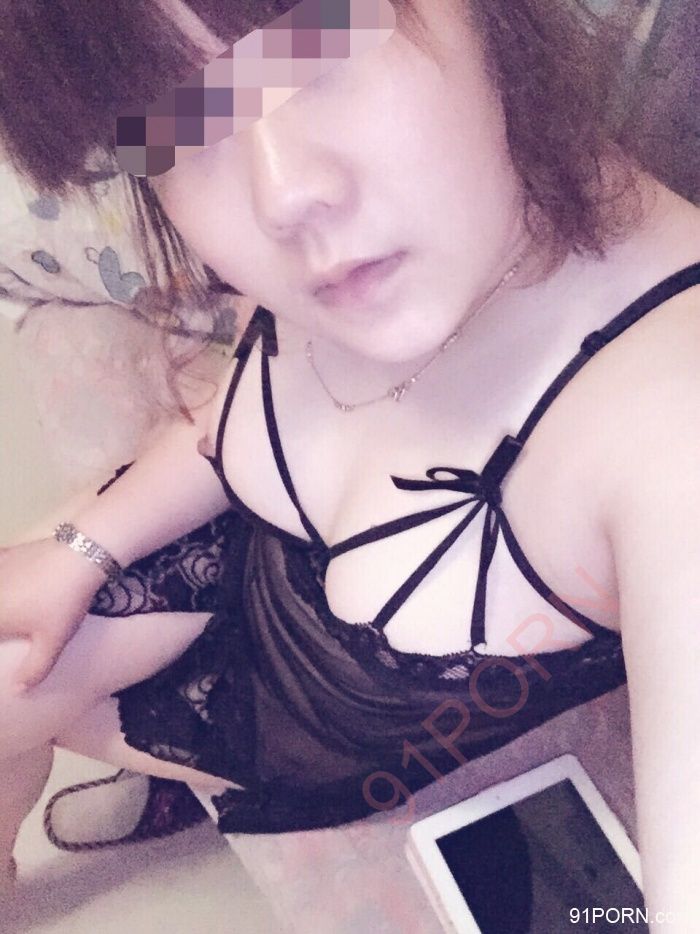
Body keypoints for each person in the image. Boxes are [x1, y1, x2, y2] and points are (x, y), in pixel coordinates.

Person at [0, 0, 698, 924]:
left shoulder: (669, 416)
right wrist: (85, 544)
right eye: (184, 120)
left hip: (314, 736)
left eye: (325, 44)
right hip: (246, 565)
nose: (284, 194)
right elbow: (241, 413)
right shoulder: (409, 232)